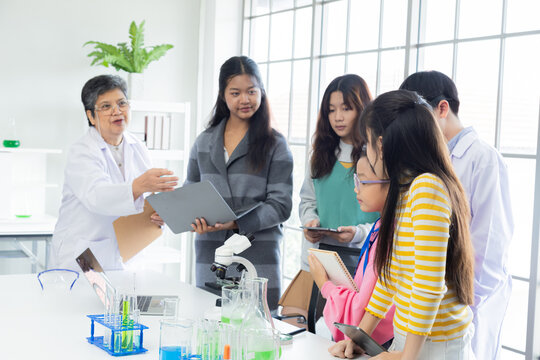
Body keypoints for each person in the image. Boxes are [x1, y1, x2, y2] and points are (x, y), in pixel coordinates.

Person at [329, 90, 476, 359]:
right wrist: (358, 337)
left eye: (369, 141)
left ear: (382, 144)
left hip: (435, 346)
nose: (367, 150)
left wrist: (407, 357)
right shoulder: (406, 190)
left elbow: (428, 284)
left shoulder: (425, 187)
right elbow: (391, 277)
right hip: (414, 341)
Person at [400, 71, 513, 360]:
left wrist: (462, 302)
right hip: (433, 309)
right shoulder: (426, 159)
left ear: (442, 108)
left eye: (417, 115)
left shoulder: (483, 159)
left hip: (468, 305)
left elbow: (489, 246)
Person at [186, 56, 293, 309]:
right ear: (223, 95)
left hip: (258, 254)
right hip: (211, 254)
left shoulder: (275, 144)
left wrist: (237, 222)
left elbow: (281, 205)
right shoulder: (204, 142)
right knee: (209, 325)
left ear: (261, 92)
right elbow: (190, 193)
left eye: (251, 91)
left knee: (254, 332)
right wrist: (190, 218)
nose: (244, 99)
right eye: (235, 93)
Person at [51, 75, 177, 270]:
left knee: (126, 298)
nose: (116, 111)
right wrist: (139, 186)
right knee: (82, 300)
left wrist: (159, 214)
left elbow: (144, 202)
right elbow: (96, 196)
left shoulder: (138, 148)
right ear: (91, 116)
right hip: (83, 254)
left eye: (122, 103)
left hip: (128, 253)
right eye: (106, 106)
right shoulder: (82, 151)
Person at [308, 152, 394, 346]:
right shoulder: (381, 227)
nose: (356, 190)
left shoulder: (390, 235)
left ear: (390, 182)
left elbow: (362, 311)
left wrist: (325, 284)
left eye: (362, 182)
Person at [299, 74, 379, 270]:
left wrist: (358, 233)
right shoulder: (319, 156)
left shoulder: (378, 157)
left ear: (362, 109)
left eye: (346, 108)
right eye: (331, 110)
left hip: (362, 264)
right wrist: (310, 222)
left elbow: (386, 220)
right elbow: (308, 202)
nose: (338, 117)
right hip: (318, 262)